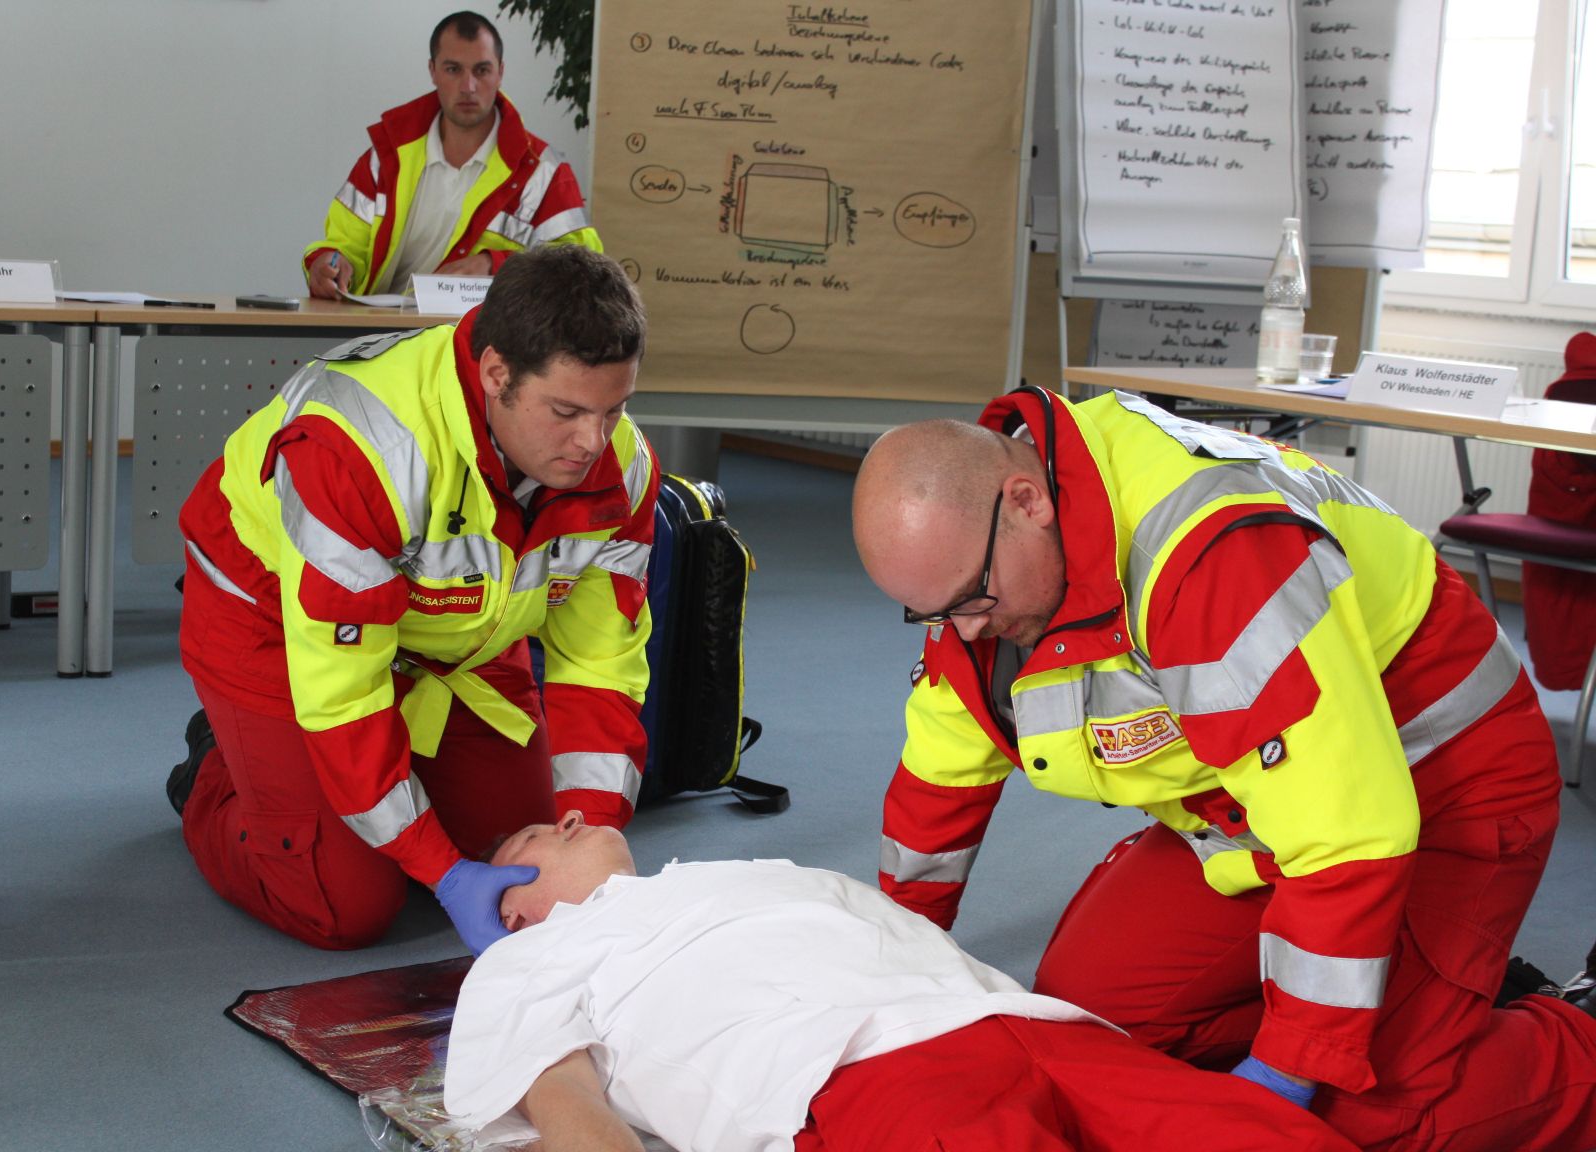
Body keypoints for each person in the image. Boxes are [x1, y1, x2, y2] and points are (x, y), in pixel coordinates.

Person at [850, 387, 1596, 1151]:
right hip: (1249, 806)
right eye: (935, 615)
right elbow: (941, 782)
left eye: (973, 599)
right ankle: (1424, 992)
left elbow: (1347, 835)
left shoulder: (1213, 553)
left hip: (1441, 779)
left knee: (1362, 1118)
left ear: (1027, 500)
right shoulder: (980, 574)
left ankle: (1570, 1038)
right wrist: (900, 958)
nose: (966, 629)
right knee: (1099, 1023)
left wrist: (1289, 1067)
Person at [167, 246, 658, 955]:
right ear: (497, 373)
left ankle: (354, 781)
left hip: (452, 637)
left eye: (615, 409)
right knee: (347, 905)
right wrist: (440, 868)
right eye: (568, 411)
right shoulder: (361, 446)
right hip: (271, 618)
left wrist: (588, 830)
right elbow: (341, 691)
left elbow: (601, 663)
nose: (594, 443)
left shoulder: (623, 468)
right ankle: (218, 768)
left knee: (522, 849)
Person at [441, 813, 1364, 1152]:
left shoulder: (747, 871)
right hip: (858, 1077)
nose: (565, 815)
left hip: (1035, 1026)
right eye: (535, 839)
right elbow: (567, 1111)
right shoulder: (528, 959)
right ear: (513, 910)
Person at [303, 11, 601, 300]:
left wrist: (494, 265)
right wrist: (327, 264)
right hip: (378, 335)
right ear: (433, 71)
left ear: (501, 73)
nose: (468, 86)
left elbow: (583, 270)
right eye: (453, 69)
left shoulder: (543, 171)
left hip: (484, 343)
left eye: (482, 70)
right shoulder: (385, 156)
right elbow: (343, 247)